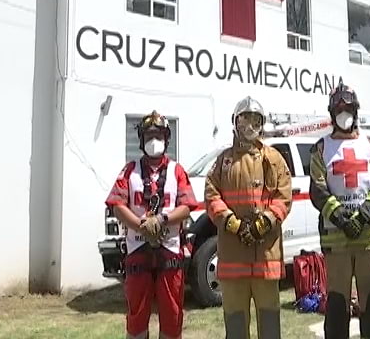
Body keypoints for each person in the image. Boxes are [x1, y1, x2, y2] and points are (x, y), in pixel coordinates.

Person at [105, 111, 199, 339]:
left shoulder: (177, 171)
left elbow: (188, 205)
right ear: (141, 139)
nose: (153, 141)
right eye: (148, 136)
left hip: (170, 253)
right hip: (137, 252)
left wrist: (163, 220)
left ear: (167, 139)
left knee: (172, 313)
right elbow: (116, 204)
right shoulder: (129, 170)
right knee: (136, 314)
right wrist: (140, 225)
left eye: (158, 135)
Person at [204, 96, 292, 339]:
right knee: (235, 323)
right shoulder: (224, 162)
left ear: (262, 124)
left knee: (269, 321)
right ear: (235, 122)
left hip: (265, 258)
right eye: (244, 120)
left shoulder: (273, 159)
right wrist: (231, 223)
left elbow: (284, 197)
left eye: (255, 120)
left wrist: (264, 224)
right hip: (233, 258)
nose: (250, 126)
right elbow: (211, 196)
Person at [309, 80, 370, 338]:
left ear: (356, 113)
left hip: (369, 241)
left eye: (349, 110)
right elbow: (318, 191)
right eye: (339, 111)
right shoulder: (321, 149)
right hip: (336, 242)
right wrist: (342, 218)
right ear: (332, 115)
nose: (344, 116)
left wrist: (363, 217)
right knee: (337, 307)